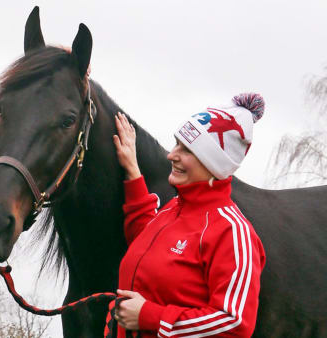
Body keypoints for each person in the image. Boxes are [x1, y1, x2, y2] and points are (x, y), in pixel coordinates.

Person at [111, 93, 267, 337]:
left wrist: (148, 316)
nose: (172, 155)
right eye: (176, 143)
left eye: (188, 150)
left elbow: (234, 323)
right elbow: (145, 240)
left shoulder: (233, 232)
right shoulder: (175, 208)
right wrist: (132, 170)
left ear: (215, 164)